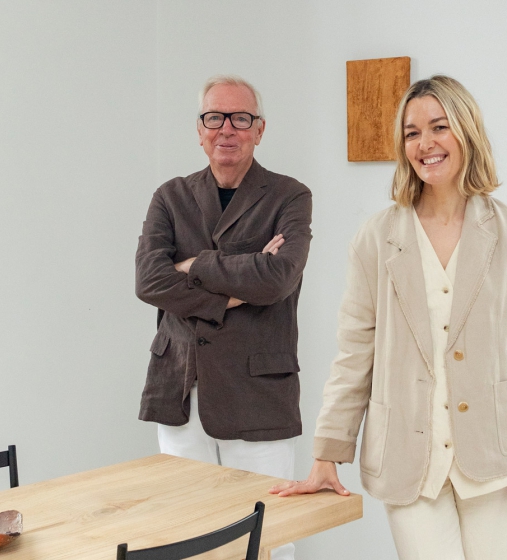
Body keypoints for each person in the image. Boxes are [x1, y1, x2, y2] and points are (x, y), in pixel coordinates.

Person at [270, 75, 507, 560]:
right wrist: (328, 452)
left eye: (439, 127)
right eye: (412, 132)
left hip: (493, 456)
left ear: (466, 131)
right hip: (406, 456)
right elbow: (354, 353)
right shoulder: (376, 237)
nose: (426, 144)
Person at [135, 75, 311, 560]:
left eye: (241, 118)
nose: (226, 128)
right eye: (215, 117)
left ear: (260, 129)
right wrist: (234, 292)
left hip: (257, 394)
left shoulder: (289, 197)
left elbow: (277, 279)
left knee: (271, 534)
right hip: (179, 388)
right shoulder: (170, 197)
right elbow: (149, 282)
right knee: (187, 532)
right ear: (200, 129)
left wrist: (193, 266)